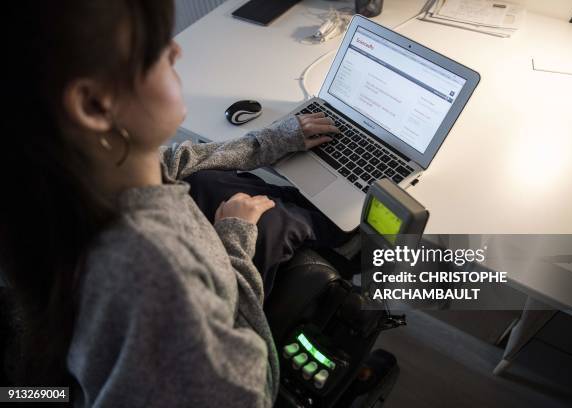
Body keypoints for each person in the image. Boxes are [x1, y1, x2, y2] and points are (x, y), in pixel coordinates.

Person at [1, 1, 349, 406]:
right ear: (94, 105)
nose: (177, 51)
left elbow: (170, 161)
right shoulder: (159, 276)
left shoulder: (61, 181)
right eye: (156, 49)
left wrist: (269, 141)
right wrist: (235, 245)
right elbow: (251, 392)